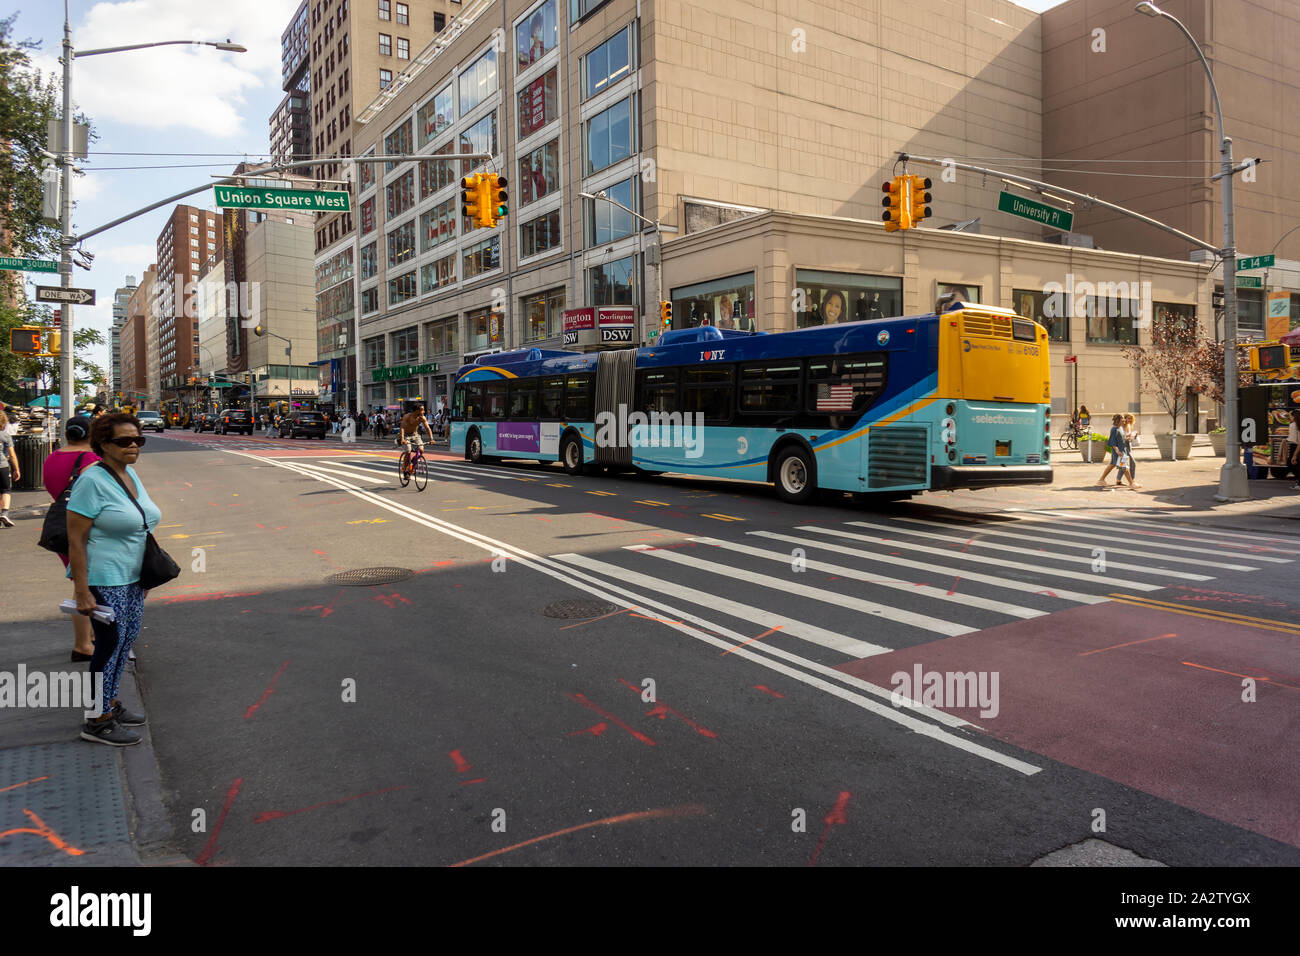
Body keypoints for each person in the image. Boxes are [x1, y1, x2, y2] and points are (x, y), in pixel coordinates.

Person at [66, 413, 161, 746]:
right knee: (107, 646)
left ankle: (108, 702)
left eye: (138, 440)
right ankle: (96, 718)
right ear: (104, 444)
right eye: (124, 441)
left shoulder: (129, 473)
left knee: (125, 641)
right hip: (104, 577)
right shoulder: (91, 480)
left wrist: (145, 575)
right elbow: (75, 540)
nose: (133, 446)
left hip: (133, 576)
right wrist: (82, 591)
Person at [42, 415, 101, 660]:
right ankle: (83, 644)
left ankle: (92, 635)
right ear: (91, 435)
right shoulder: (91, 459)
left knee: (82, 582)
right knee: (87, 586)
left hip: (61, 525)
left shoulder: (51, 458)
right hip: (87, 527)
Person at [1096, 413, 1140, 490]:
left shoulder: (1120, 428)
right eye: (1122, 420)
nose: (1124, 421)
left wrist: (1130, 436)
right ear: (1118, 420)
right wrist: (1117, 451)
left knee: (1112, 465)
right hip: (1118, 452)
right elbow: (1112, 441)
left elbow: (1122, 438)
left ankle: (1101, 480)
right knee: (1124, 467)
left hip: (1122, 450)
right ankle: (1131, 483)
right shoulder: (1114, 429)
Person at [0, 409, 19, 527]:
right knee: (5, 490)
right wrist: (16, 469)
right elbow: (12, 455)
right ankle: (4, 513)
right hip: (2, 466)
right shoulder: (5, 435)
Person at [1288, 409, 1300, 489]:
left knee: (1293, 464)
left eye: (1290, 416)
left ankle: (1299, 483)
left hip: (1295, 446)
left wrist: (1295, 455)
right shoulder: (1297, 425)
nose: (1290, 418)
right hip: (1296, 445)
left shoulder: (1293, 425)